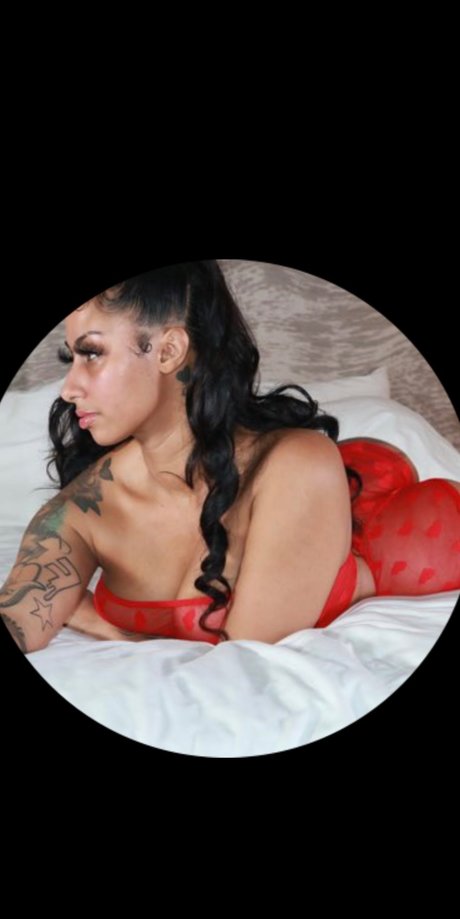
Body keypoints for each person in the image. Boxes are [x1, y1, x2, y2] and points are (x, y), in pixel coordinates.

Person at [1, 261, 459, 653]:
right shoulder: (80, 510)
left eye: (92, 354)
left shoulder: (296, 467)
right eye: (72, 359)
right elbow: (19, 618)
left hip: (398, 536)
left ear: (168, 351)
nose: (68, 389)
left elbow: (244, 660)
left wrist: (100, 622)